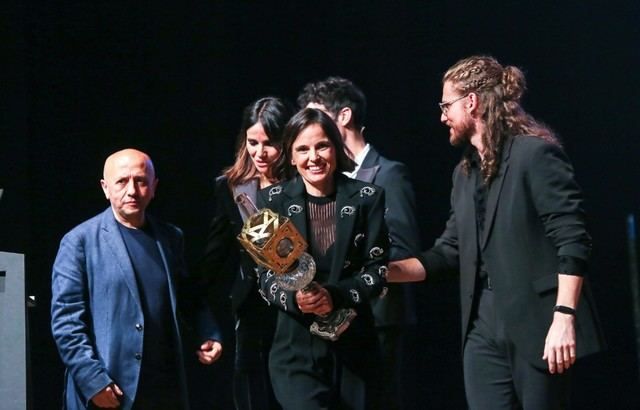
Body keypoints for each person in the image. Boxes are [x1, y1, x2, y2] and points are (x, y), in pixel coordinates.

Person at [388, 56, 605, 409]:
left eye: (446, 105)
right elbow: (448, 252)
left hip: (539, 324)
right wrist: (381, 273)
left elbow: (573, 238)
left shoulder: (534, 154)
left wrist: (564, 317)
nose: (442, 116)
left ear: (471, 102)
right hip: (482, 327)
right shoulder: (464, 174)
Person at [51, 148, 223, 410]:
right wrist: (92, 380)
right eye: (122, 181)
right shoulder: (79, 242)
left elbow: (188, 296)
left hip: (164, 388)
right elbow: (66, 322)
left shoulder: (170, 237)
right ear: (105, 187)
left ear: (153, 187)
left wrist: (207, 332)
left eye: (141, 181)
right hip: (110, 390)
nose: (132, 190)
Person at [297, 76, 420, 408]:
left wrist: (347, 278)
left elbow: (404, 250)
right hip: (327, 321)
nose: (309, 130)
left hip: (377, 321)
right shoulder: (316, 181)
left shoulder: (389, 174)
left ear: (344, 117)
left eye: (317, 118)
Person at [256, 108, 389, 409]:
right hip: (295, 352)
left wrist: (335, 295)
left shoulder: (368, 197)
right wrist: (296, 301)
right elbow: (265, 278)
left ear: (335, 147)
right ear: (290, 156)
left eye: (322, 146)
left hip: (356, 351)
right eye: (302, 149)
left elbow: (377, 272)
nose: (313, 157)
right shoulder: (272, 201)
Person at [199, 97, 293, 410]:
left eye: (270, 143)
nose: (260, 152)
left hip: (298, 311)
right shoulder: (232, 186)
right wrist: (192, 307)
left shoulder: (302, 181)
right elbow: (216, 254)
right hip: (253, 312)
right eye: (253, 142)